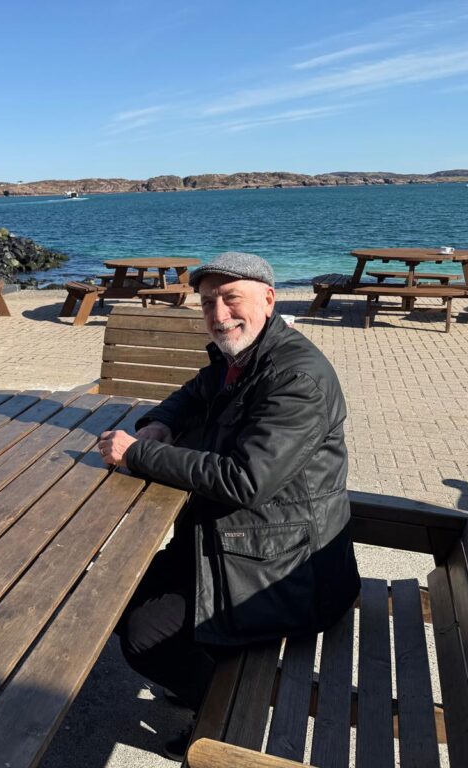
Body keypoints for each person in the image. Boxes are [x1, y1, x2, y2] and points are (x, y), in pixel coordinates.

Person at [100, 252, 360, 761]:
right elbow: (193, 393)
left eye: (231, 298)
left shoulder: (296, 378)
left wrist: (138, 455)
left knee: (142, 635)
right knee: (119, 591)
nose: (219, 315)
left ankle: (217, 713)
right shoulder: (243, 358)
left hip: (287, 571)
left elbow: (246, 480)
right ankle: (200, 677)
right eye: (207, 303)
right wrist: (160, 423)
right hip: (244, 541)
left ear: (269, 299)